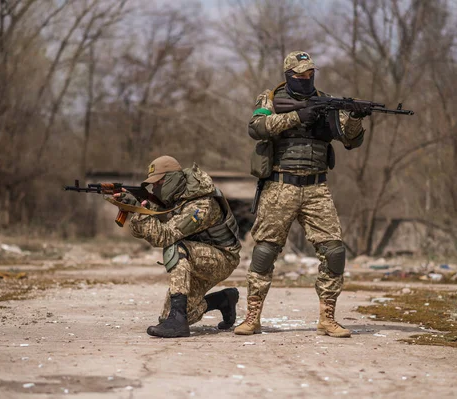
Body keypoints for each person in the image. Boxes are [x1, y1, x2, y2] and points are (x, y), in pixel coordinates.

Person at [234, 51, 369, 338]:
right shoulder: (270, 98)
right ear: (288, 75)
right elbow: (256, 127)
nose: (307, 79)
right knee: (265, 252)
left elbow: (351, 140)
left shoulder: (328, 101)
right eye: (301, 75)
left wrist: (355, 118)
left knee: (334, 252)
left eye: (310, 74)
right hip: (279, 185)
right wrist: (298, 116)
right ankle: (252, 316)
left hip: (317, 188)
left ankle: (327, 318)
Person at [114, 155, 242, 338]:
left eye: (158, 183)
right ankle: (223, 300)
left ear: (172, 178)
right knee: (167, 317)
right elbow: (144, 232)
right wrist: (136, 209)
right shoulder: (178, 198)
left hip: (222, 258)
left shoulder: (201, 205)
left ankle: (178, 323)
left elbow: (165, 236)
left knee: (176, 247)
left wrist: (140, 212)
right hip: (198, 257)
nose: (154, 188)